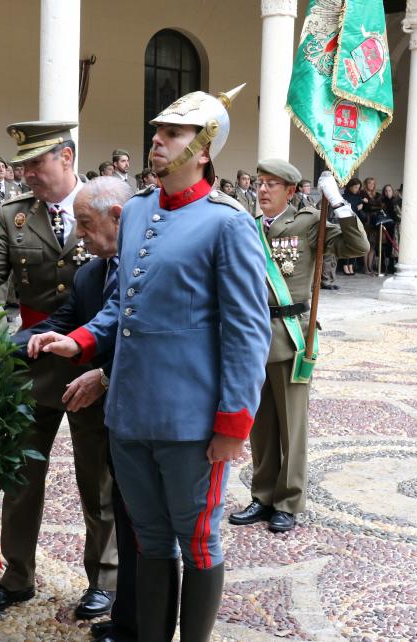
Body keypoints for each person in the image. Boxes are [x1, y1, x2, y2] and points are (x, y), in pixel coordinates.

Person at [28, 87, 272, 642]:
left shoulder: (227, 223)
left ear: (204, 149)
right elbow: (123, 302)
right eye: (157, 132)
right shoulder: (136, 209)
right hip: (130, 414)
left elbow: (247, 332)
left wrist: (234, 424)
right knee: (151, 539)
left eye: (173, 135)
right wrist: (82, 341)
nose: (157, 142)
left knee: (200, 540)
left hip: (191, 421)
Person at [0, 122, 118, 619]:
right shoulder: (13, 216)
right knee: (22, 475)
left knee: (96, 479)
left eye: (37, 163)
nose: (26, 173)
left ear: (68, 157)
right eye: (23, 165)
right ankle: (16, 577)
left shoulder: (106, 208)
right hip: (32, 360)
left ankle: (105, 578)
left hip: (91, 365)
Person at [15, 177, 138, 642]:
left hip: (124, 399)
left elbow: (126, 326)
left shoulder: (143, 267)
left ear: (116, 218)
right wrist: (15, 342)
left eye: (85, 224)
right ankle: (116, 596)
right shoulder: (91, 272)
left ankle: (117, 589)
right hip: (87, 389)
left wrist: (101, 373)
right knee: (97, 489)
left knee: (117, 500)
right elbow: (66, 320)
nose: (79, 234)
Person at [229, 159, 369, 534]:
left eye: (272, 184)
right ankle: (262, 495)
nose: (262, 190)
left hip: (292, 334)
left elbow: (357, 246)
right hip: (255, 334)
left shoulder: (308, 222)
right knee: (260, 424)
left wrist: (338, 204)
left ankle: (288, 502)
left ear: (290, 192)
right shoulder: (251, 225)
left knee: (293, 425)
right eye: (260, 182)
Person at [340, 178, 364, 275]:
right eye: (355, 187)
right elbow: (344, 209)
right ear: (350, 186)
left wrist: (360, 207)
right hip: (347, 222)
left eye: (358, 187)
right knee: (347, 244)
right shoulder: (344, 197)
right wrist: (356, 208)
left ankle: (351, 265)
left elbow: (360, 211)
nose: (357, 189)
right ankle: (345, 265)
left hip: (356, 222)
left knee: (355, 244)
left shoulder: (358, 197)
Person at [360, 177, 382, 273]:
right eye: (369, 183)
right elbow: (366, 207)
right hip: (366, 221)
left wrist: (369, 202)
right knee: (366, 245)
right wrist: (372, 204)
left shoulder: (377, 195)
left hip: (374, 222)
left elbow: (380, 206)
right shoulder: (362, 193)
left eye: (373, 184)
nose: (371, 185)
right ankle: (365, 267)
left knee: (373, 245)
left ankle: (370, 267)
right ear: (366, 184)